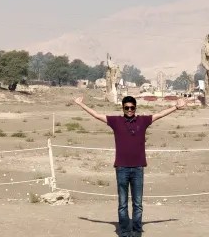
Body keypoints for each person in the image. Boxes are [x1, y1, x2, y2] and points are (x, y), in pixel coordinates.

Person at [74, 94, 186, 237]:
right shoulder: (115, 121)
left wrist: (176, 107)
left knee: (138, 204)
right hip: (121, 168)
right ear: (123, 108)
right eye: (127, 107)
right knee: (122, 204)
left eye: (132, 107)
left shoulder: (143, 121)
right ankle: (125, 232)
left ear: (135, 108)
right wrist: (80, 104)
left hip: (138, 167)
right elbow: (97, 115)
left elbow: (159, 115)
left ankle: (137, 231)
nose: (129, 110)